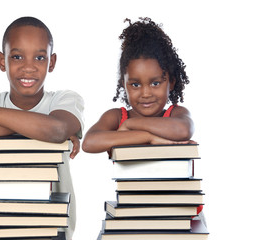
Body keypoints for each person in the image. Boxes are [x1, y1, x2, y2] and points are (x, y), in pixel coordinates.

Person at [0, 16, 84, 240]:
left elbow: (56, 130)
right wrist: (38, 127)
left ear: (52, 62)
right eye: (17, 56)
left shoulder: (64, 100)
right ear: (2, 61)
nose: (28, 67)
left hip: (50, 229)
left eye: (40, 57)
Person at [82, 17, 206, 226]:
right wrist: (149, 137)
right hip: (133, 213)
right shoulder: (116, 117)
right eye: (136, 84)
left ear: (171, 82)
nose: (146, 93)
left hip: (178, 212)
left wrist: (131, 126)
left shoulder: (176, 114)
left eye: (156, 83)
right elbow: (89, 143)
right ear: (124, 84)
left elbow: (183, 130)